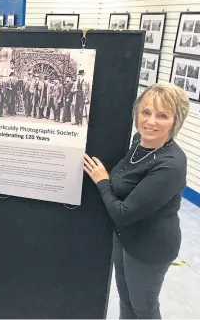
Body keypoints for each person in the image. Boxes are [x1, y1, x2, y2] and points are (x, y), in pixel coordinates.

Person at [83, 82, 189, 319]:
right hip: (125, 238)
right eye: (146, 112)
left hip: (150, 247)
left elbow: (123, 212)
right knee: (127, 300)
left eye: (162, 116)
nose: (150, 122)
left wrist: (102, 181)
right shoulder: (138, 142)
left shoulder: (170, 164)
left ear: (175, 121)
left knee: (144, 308)